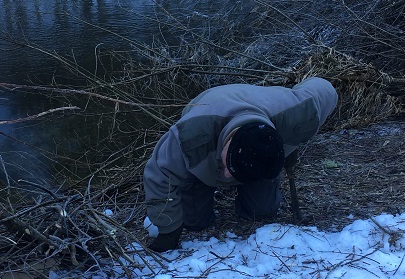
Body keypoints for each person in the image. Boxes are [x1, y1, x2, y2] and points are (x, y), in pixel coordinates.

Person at [143, 77, 338, 251]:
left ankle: (249, 180)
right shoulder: (190, 135)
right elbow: (158, 175)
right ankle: (201, 186)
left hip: (261, 119)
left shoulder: (298, 113)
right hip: (208, 119)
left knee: (262, 213)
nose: (227, 176)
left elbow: (324, 88)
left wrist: (291, 143)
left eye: (235, 172)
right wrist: (169, 230)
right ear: (229, 140)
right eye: (228, 166)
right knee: (194, 223)